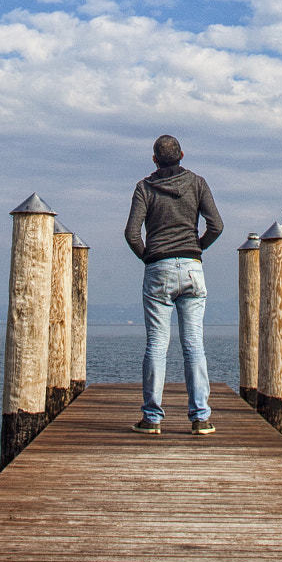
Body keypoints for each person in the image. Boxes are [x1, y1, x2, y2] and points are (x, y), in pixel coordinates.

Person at [124, 134, 224, 435]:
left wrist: (150, 258)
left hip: (158, 268)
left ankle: (152, 418)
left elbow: (131, 234)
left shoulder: (144, 188)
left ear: (154, 159)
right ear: (182, 154)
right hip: (192, 268)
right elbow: (216, 225)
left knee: (157, 344)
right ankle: (200, 418)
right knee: (193, 343)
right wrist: (196, 249)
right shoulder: (198, 183)